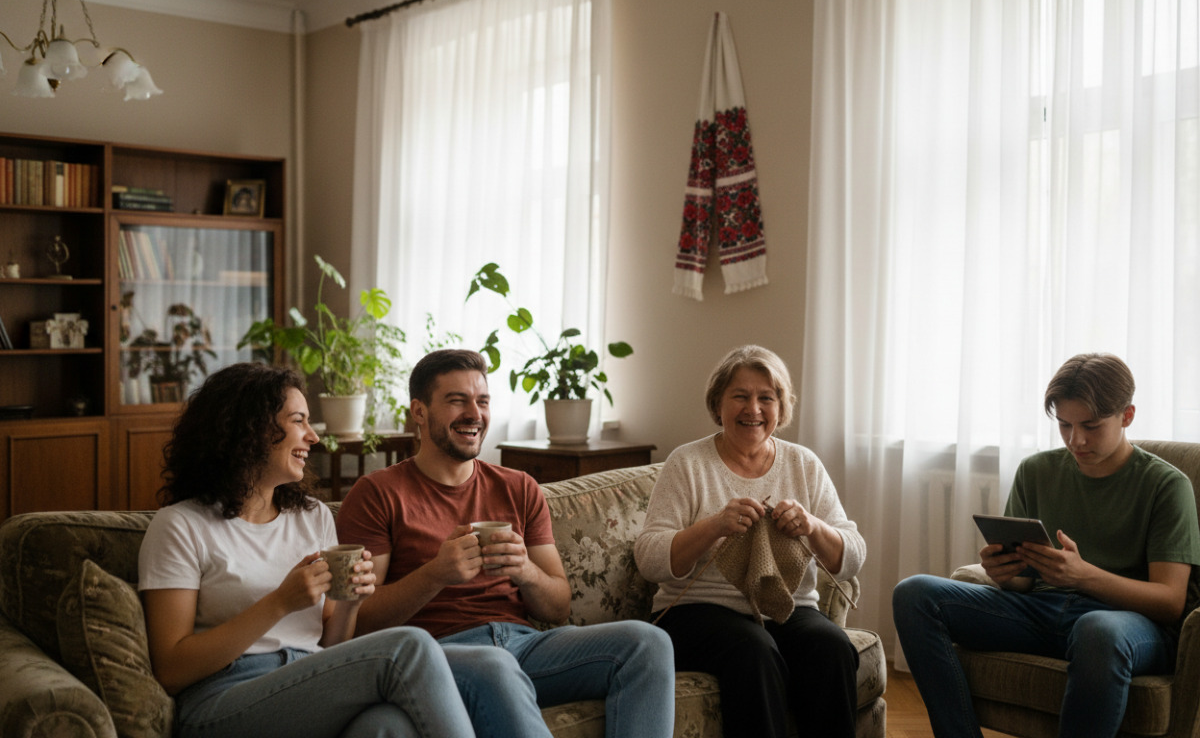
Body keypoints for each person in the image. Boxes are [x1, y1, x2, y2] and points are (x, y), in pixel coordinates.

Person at [336, 348, 676, 738]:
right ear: (419, 412)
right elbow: (359, 624)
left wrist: (526, 572)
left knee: (647, 643)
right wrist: (435, 574)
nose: (474, 414)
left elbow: (558, 605)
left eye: (482, 401)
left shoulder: (518, 487)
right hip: (438, 655)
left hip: (526, 646)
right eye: (456, 401)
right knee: (494, 666)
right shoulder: (377, 494)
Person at [138, 363, 475, 738]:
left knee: (387, 727)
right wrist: (280, 601)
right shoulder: (179, 526)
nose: (313, 437)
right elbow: (170, 669)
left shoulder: (311, 517)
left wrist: (350, 602)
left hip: (308, 679)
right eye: (299, 421)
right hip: (222, 699)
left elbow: (329, 645)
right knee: (409, 646)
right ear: (250, 429)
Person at [893, 352, 1200, 738]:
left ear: (1127, 415)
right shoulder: (1035, 471)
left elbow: (1171, 602)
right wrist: (1007, 575)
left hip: (1126, 624)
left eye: (1091, 425)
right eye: (1065, 425)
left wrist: (1083, 576)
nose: (1077, 439)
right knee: (915, 594)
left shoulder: (1167, 486)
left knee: (1097, 630)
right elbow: (1024, 584)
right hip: (1040, 609)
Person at [633, 344, 865, 738]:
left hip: (785, 608)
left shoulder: (803, 464)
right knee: (753, 649)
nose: (752, 409)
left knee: (831, 646)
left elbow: (853, 555)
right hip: (695, 611)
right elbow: (649, 558)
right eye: (740, 396)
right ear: (717, 403)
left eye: (766, 398)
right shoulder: (687, 463)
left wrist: (811, 525)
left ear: (781, 407)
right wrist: (714, 526)